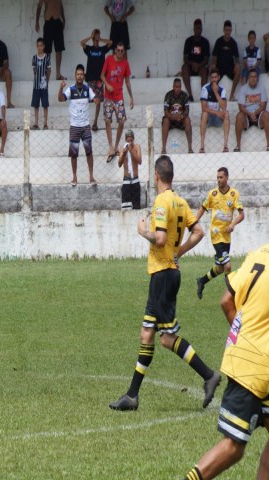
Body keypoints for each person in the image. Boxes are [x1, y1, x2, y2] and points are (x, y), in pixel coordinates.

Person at [109, 155, 221, 412]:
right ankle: (132, 396)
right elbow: (199, 232)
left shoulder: (161, 201)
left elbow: (159, 239)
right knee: (147, 333)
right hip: (166, 273)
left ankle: (208, 375)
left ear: (156, 176)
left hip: (162, 275)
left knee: (167, 338)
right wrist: (178, 252)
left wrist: (142, 231)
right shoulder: (180, 202)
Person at [183, 243, 269, 480]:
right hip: (258, 367)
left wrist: (244, 341)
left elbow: (225, 301)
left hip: (243, 357)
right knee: (233, 446)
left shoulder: (258, 254)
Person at [195, 167, 244, 300]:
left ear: (227, 178)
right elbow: (203, 208)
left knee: (220, 268)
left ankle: (202, 281)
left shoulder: (234, 194)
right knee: (228, 265)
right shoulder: (213, 194)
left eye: (221, 177)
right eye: (217, 177)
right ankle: (231, 296)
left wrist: (233, 224)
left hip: (226, 236)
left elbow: (241, 215)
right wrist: (193, 222)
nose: (218, 180)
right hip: (216, 235)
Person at [58, 64, 99, 186]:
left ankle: (91, 177)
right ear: (75, 76)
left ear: (84, 75)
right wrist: (60, 88)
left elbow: (96, 100)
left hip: (86, 125)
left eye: (81, 74)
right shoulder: (70, 89)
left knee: (89, 152)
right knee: (74, 154)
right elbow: (60, 99)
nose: (79, 76)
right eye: (78, 74)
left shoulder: (87, 89)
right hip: (74, 126)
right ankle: (74, 177)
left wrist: (97, 101)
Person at [100, 41, 133, 162]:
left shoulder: (125, 63)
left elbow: (128, 81)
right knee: (107, 120)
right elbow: (102, 75)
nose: (120, 53)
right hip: (108, 96)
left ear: (124, 51)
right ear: (115, 50)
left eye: (122, 51)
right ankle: (110, 147)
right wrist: (107, 85)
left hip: (119, 97)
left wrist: (131, 97)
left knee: (122, 121)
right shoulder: (108, 59)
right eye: (118, 50)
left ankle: (116, 146)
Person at [81, 29, 112, 132]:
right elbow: (82, 43)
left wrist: (101, 39)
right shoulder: (89, 49)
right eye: (96, 37)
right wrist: (90, 37)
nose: (96, 39)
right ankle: (85, 122)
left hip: (99, 79)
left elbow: (111, 42)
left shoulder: (102, 49)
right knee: (88, 100)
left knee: (98, 101)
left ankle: (95, 122)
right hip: (90, 78)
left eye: (97, 36)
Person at [234, 69, 268, 152]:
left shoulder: (261, 88)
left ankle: (268, 145)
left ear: (257, 78)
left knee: (267, 115)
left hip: (259, 113)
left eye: (255, 77)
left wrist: (255, 113)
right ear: (248, 78)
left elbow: (263, 105)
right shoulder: (243, 89)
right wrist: (250, 114)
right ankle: (238, 146)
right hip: (246, 114)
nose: (253, 78)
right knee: (239, 116)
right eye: (251, 77)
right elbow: (241, 107)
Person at [199, 68, 230, 153]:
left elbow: (224, 107)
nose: (214, 80)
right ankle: (202, 146)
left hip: (218, 118)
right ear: (210, 78)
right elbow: (203, 108)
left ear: (219, 77)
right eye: (212, 77)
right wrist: (217, 112)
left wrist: (216, 93)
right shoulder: (205, 88)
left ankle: (225, 146)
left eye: (215, 77)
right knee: (204, 114)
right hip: (209, 117)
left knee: (226, 114)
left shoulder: (222, 90)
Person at [35, 0, 65, 81]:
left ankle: (58, 74)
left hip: (57, 21)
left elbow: (60, 5)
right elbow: (39, 7)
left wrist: (64, 19)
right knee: (47, 50)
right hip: (48, 22)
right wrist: (37, 21)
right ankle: (46, 74)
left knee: (59, 49)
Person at [161, 78, 192, 154]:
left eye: (179, 87)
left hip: (181, 120)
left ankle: (190, 147)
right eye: (176, 87)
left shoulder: (184, 95)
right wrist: (172, 117)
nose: (178, 89)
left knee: (187, 120)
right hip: (171, 119)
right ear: (173, 87)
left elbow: (187, 111)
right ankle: (164, 148)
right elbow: (165, 111)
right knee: (165, 120)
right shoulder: (168, 95)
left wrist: (181, 116)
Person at [182, 19, 210, 102]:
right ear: (193, 29)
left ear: (201, 29)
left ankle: (203, 96)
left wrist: (198, 65)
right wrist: (192, 64)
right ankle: (190, 95)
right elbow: (185, 58)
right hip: (190, 66)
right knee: (184, 68)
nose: (198, 30)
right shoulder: (188, 41)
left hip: (200, 67)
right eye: (196, 28)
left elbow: (206, 59)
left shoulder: (205, 42)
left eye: (199, 28)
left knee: (205, 71)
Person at [212, 20, 241, 102]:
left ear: (231, 30)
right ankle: (213, 95)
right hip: (219, 67)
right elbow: (214, 57)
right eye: (226, 30)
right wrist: (214, 64)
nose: (227, 32)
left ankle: (231, 95)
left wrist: (236, 64)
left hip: (230, 68)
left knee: (238, 69)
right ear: (223, 30)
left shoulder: (233, 43)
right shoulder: (219, 41)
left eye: (229, 30)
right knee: (212, 68)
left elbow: (236, 58)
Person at [117, 129, 141, 210]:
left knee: (136, 207)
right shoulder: (122, 148)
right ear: (125, 139)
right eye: (128, 140)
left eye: (131, 140)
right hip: (126, 179)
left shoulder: (137, 147)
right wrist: (123, 153)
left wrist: (131, 151)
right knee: (126, 208)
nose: (130, 142)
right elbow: (119, 164)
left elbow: (139, 161)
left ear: (133, 139)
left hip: (135, 179)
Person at [31, 38, 51, 130]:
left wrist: (46, 81)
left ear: (44, 46)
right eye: (38, 46)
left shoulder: (47, 57)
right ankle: (36, 123)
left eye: (41, 45)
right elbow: (34, 71)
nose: (39, 47)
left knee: (45, 105)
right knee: (36, 105)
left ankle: (45, 123)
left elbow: (49, 70)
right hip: (36, 86)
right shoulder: (34, 58)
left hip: (44, 85)